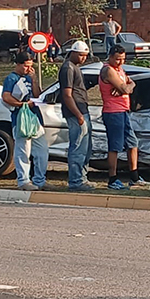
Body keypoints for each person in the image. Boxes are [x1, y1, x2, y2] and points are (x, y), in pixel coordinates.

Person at [99, 45, 147, 190]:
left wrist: (129, 85)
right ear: (111, 56)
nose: (120, 62)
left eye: (123, 59)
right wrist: (125, 87)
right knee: (115, 146)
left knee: (133, 143)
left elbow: (130, 84)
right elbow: (125, 88)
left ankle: (134, 176)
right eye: (118, 59)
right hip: (113, 112)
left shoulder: (119, 70)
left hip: (124, 111)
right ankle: (112, 179)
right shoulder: (108, 70)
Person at [2, 51, 47, 191]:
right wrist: (23, 104)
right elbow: (6, 97)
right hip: (21, 117)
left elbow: (38, 94)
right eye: (26, 66)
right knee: (23, 149)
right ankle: (23, 180)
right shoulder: (11, 78)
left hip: (34, 117)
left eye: (30, 66)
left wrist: (34, 79)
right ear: (18, 64)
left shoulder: (29, 77)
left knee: (42, 149)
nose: (28, 69)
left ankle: (40, 179)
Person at [59, 40, 94, 192]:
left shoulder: (75, 67)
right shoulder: (68, 68)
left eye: (85, 56)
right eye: (81, 55)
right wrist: (78, 115)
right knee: (78, 147)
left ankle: (82, 178)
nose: (83, 58)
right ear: (73, 52)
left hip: (82, 109)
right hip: (75, 112)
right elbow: (67, 95)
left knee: (86, 148)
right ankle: (75, 181)